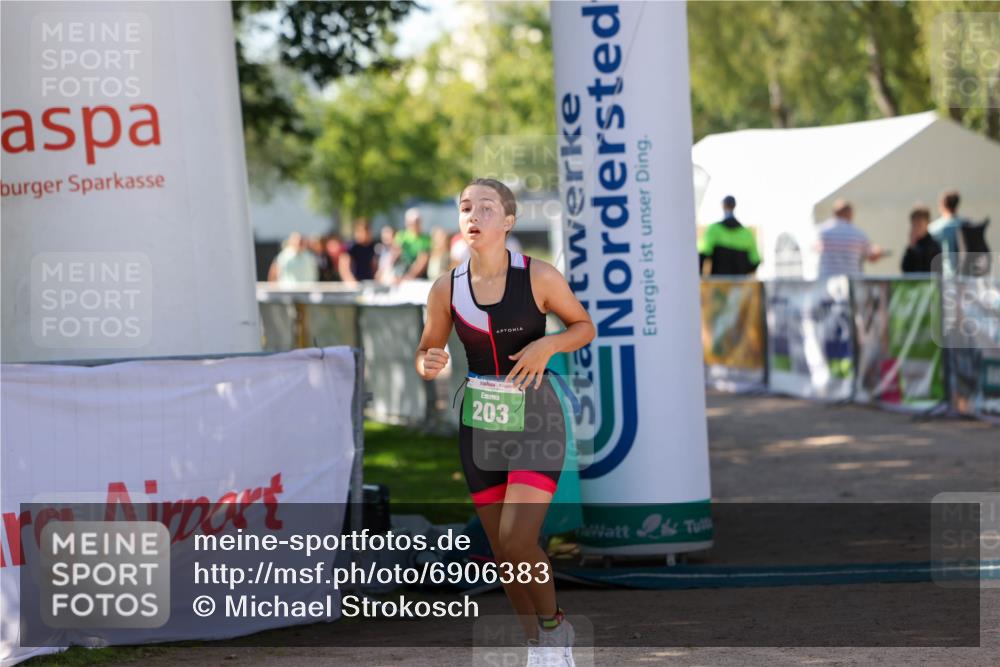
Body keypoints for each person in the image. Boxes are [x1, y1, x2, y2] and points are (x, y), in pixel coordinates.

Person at [415, 178, 594, 664]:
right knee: (502, 553)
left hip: (536, 418)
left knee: (519, 539)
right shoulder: (445, 287)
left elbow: (583, 326)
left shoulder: (538, 276)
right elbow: (429, 347)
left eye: (487, 207)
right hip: (481, 424)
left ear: (509, 221)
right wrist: (428, 362)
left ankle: (557, 629)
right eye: (466, 207)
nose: (474, 215)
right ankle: (538, 648)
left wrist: (548, 344)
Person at [815, 200, 883, 278]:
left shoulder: (821, 231)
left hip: (826, 282)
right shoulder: (857, 234)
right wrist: (878, 250)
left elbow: (814, 250)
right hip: (850, 282)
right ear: (849, 213)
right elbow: (873, 256)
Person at [697, 195, 760, 276]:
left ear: (723, 206)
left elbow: (702, 254)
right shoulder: (747, 233)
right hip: (740, 284)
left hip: (718, 283)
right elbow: (755, 260)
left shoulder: (713, 230)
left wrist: (701, 277)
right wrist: (743, 272)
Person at [928, 190, 964, 275]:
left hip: (946, 273)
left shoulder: (935, 228)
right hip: (966, 273)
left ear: (942, 205)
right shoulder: (966, 224)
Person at [901, 205, 942, 274]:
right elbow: (905, 269)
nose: (916, 228)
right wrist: (911, 246)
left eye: (919, 224)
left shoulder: (933, 245)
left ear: (927, 224)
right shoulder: (913, 246)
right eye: (914, 225)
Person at [395, 207, 431, 281]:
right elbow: (395, 255)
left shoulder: (426, 239)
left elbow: (422, 261)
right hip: (400, 274)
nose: (415, 224)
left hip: (418, 277)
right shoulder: (400, 236)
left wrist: (410, 276)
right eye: (412, 222)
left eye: (417, 222)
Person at [338, 218, 378, 285]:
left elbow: (374, 265)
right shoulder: (351, 247)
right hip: (355, 284)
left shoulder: (373, 247)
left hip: (369, 283)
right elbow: (344, 268)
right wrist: (352, 282)